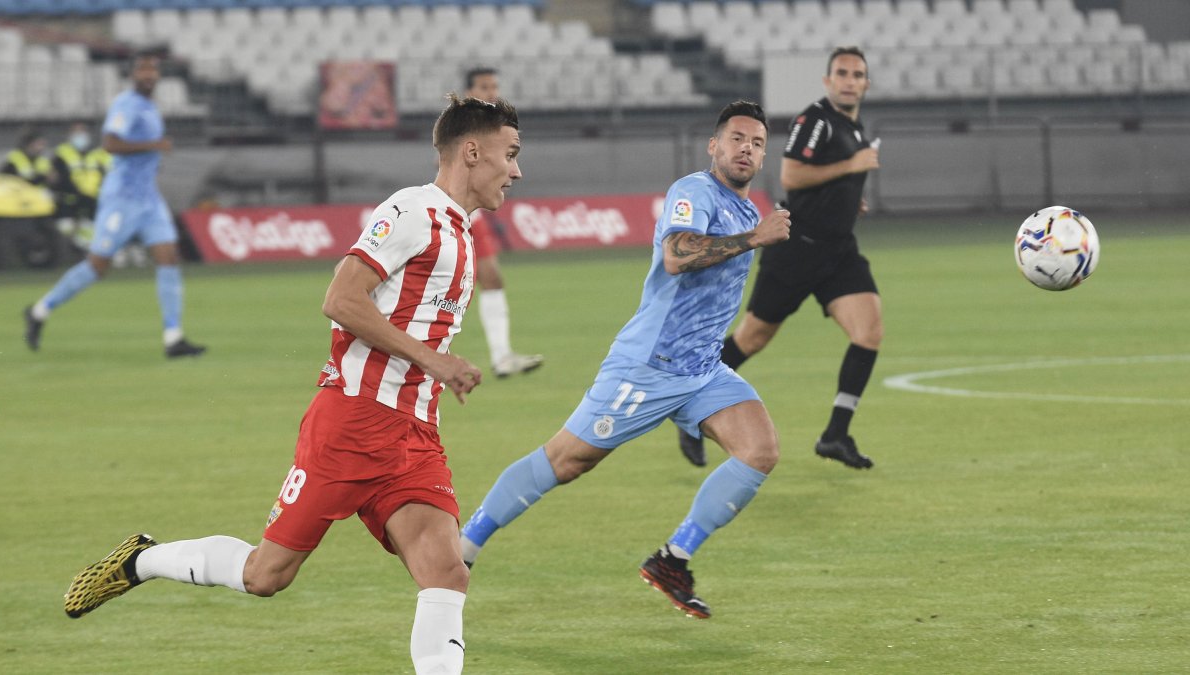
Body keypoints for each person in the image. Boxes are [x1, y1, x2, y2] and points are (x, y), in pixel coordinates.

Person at [62, 94, 523, 674]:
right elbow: (340, 300)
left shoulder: (461, 232)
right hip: (352, 424)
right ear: (472, 151)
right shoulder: (413, 212)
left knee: (447, 570)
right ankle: (144, 561)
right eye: (510, 154)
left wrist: (429, 370)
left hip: (414, 436)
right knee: (266, 575)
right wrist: (434, 360)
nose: (517, 169)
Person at [459, 101, 791, 619]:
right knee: (565, 461)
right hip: (650, 364)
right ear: (714, 145)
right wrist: (754, 239)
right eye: (736, 139)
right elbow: (677, 256)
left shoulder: (749, 208)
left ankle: (672, 559)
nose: (746, 149)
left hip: (702, 369)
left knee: (760, 449)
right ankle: (463, 548)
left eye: (756, 144)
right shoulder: (694, 191)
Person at [675, 46, 882, 471]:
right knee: (753, 338)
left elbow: (829, 180)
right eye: (841, 72)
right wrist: (851, 166)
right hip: (798, 246)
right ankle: (690, 410)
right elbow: (792, 174)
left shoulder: (855, 128)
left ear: (865, 83)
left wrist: (848, 200)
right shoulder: (816, 120)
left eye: (857, 74)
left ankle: (835, 434)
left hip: (839, 250)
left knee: (869, 331)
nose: (848, 79)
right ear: (828, 81)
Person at [22, 51, 205, 358]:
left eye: (153, 70)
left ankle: (173, 337)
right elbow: (110, 143)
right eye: (143, 70)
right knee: (98, 265)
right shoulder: (126, 104)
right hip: (121, 199)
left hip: (148, 197)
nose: (148, 75)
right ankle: (40, 310)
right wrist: (154, 146)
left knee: (169, 256)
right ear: (132, 74)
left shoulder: (150, 107)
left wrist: (152, 159)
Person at [463, 66, 544, 378]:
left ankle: (501, 357)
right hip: (462, 210)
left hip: (475, 212)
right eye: (484, 87)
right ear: (470, 91)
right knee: (455, 285)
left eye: (494, 86)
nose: (492, 93)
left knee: (492, 279)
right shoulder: (464, 125)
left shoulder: (490, 124)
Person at [51, 121, 110, 250]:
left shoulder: (97, 154)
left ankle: (83, 249)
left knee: (89, 230)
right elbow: (57, 178)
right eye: (76, 132)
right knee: (65, 228)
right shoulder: (62, 153)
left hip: (93, 201)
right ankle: (70, 250)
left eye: (82, 132)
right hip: (69, 200)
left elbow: (106, 174)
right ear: (69, 135)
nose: (80, 136)